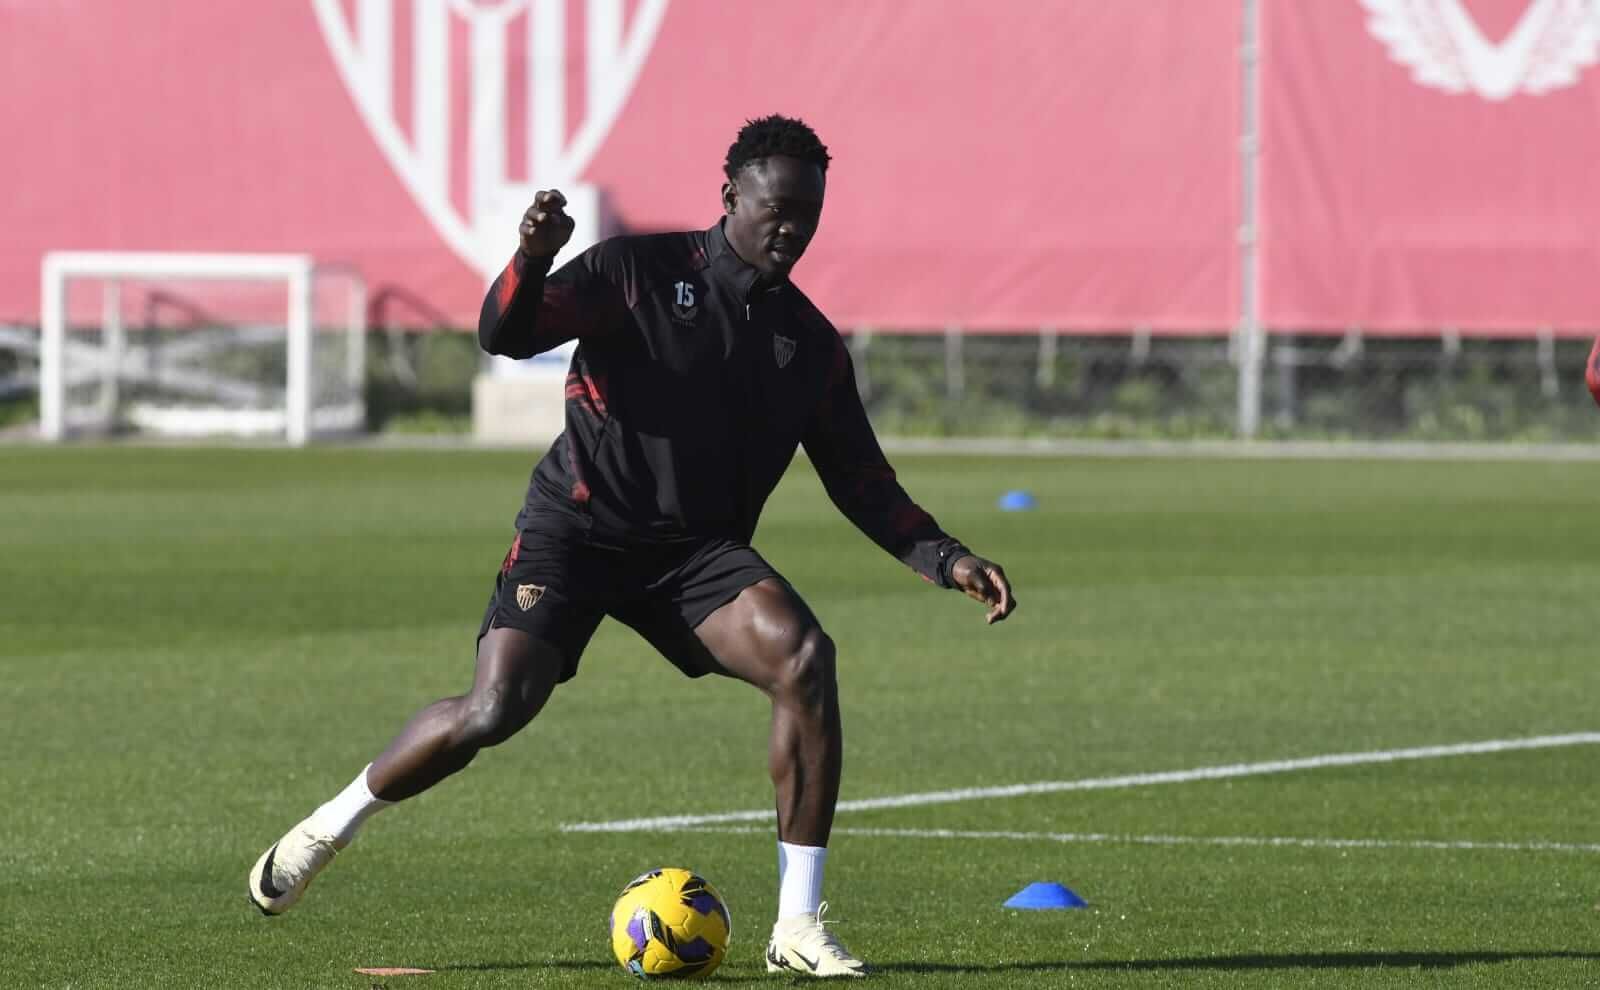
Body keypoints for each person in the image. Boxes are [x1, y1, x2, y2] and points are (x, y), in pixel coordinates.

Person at [247, 115, 1016, 977]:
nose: (792, 228)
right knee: (496, 709)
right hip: (576, 530)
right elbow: (507, 333)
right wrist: (531, 259)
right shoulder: (637, 271)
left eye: (809, 212)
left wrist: (946, 558)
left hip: (694, 556)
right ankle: (330, 825)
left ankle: (797, 926)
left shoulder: (808, 344)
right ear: (731, 196)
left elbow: (861, 482)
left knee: (803, 656)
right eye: (777, 207)